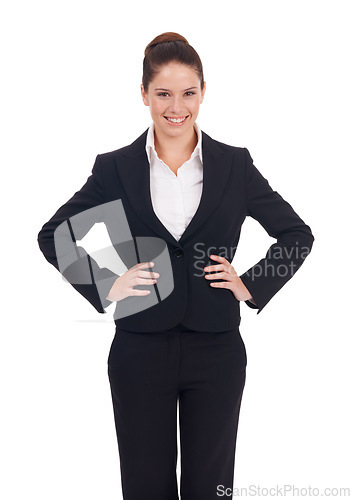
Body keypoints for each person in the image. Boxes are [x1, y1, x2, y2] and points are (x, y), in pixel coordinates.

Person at [37, 32, 314, 500]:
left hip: (217, 350)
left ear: (204, 92)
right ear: (143, 94)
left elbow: (297, 235)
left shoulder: (233, 165)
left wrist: (250, 285)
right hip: (139, 348)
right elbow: (54, 234)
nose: (176, 106)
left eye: (188, 92)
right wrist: (107, 281)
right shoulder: (116, 167)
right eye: (163, 93)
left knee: (212, 488)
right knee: (146, 487)